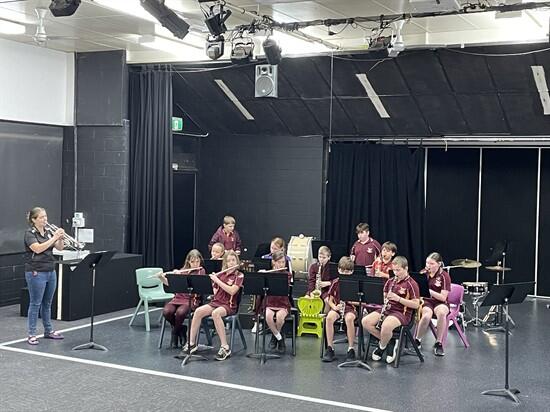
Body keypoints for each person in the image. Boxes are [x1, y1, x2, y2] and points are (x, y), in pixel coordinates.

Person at [182, 251, 244, 361]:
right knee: (198, 311)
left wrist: (217, 281)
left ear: (237, 261)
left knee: (216, 313)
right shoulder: (221, 274)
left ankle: (225, 347)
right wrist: (212, 282)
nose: (231, 263)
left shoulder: (239, 275)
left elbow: (232, 291)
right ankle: (191, 343)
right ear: (225, 263)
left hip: (229, 305)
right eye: (228, 261)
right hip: (216, 302)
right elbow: (214, 292)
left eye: (233, 260)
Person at [362, 256, 420, 364]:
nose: (396, 273)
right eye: (394, 270)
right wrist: (384, 299)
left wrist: (398, 299)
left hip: (402, 313)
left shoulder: (412, 284)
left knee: (386, 326)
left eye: (398, 270)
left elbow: (416, 305)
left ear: (406, 268)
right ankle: (389, 341)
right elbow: (384, 296)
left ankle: (381, 346)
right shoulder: (390, 281)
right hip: (388, 310)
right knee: (365, 321)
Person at [24, 207, 65, 345]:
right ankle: (32, 334)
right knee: (35, 303)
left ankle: (48, 330)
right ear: (33, 220)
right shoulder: (29, 233)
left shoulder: (48, 232)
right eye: (41, 217)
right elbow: (38, 249)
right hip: (36, 271)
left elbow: (60, 248)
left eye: (45, 216)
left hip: (50, 270)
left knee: (47, 303)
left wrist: (60, 238)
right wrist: (54, 237)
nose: (45, 219)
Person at [159, 249, 205, 348]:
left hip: (192, 299)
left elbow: (198, 286)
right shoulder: (182, 270)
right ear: (188, 261)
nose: (195, 264)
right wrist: (161, 277)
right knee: (167, 312)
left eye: (197, 261)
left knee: (180, 312)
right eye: (193, 262)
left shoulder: (201, 271)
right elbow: (171, 284)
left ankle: (175, 332)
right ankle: (181, 329)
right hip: (178, 298)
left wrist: (181, 275)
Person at [414, 252, 451, 356]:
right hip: (427, 301)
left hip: (440, 302)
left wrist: (429, 291)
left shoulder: (445, 276)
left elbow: (443, 297)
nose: (428, 266)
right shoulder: (423, 273)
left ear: (439, 264)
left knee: (441, 313)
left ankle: (438, 343)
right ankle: (417, 340)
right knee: (426, 316)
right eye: (427, 263)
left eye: (431, 264)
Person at [322, 256, 358, 362]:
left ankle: (351, 349)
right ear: (338, 270)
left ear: (351, 271)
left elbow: (361, 302)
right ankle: (330, 348)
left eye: (347, 272)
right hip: (338, 308)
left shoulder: (355, 283)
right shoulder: (335, 282)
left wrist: (351, 301)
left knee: (349, 319)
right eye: (342, 271)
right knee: (329, 318)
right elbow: (330, 300)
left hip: (350, 309)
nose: (344, 274)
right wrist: (334, 307)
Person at [259, 250, 292, 354]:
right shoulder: (268, 274)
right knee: (268, 316)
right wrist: (262, 275)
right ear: (273, 262)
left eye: (283, 262)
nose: (281, 264)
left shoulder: (287, 274)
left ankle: (274, 336)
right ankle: (280, 338)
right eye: (279, 262)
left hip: (282, 302)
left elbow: (286, 287)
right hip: (270, 302)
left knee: (279, 318)